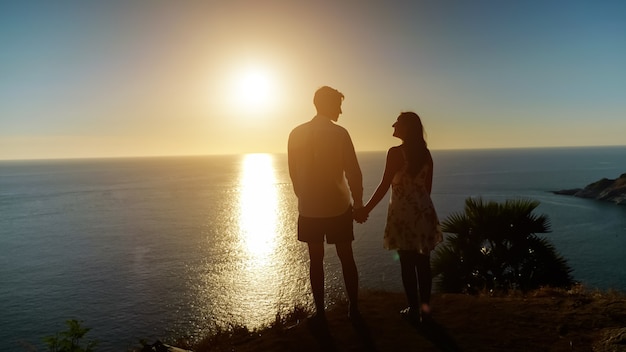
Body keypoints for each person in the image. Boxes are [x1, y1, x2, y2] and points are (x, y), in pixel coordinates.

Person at [354, 112, 443, 324]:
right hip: (423, 213)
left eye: (398, 122)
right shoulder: (425, 154)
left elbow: (385, 185)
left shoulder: (395, 153)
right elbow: (427, 189)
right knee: (423, 264)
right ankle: (425, 311)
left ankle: (413, 309)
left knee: (407, 264)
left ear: (407, 128)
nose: (393, 124)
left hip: (402, 216)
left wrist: (365, 209)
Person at [287, 86, 364, 323]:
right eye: (338, 105)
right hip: (338, 206)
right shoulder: (340, 134)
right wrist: (359, 202)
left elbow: (292, 173)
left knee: (315, 260)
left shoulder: (296, 133)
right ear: (328, 105)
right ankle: (353, 307)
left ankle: (320, 312)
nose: (340, 110)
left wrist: (305, 196)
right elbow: (353, 171)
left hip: (309, 208)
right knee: (346, 256)